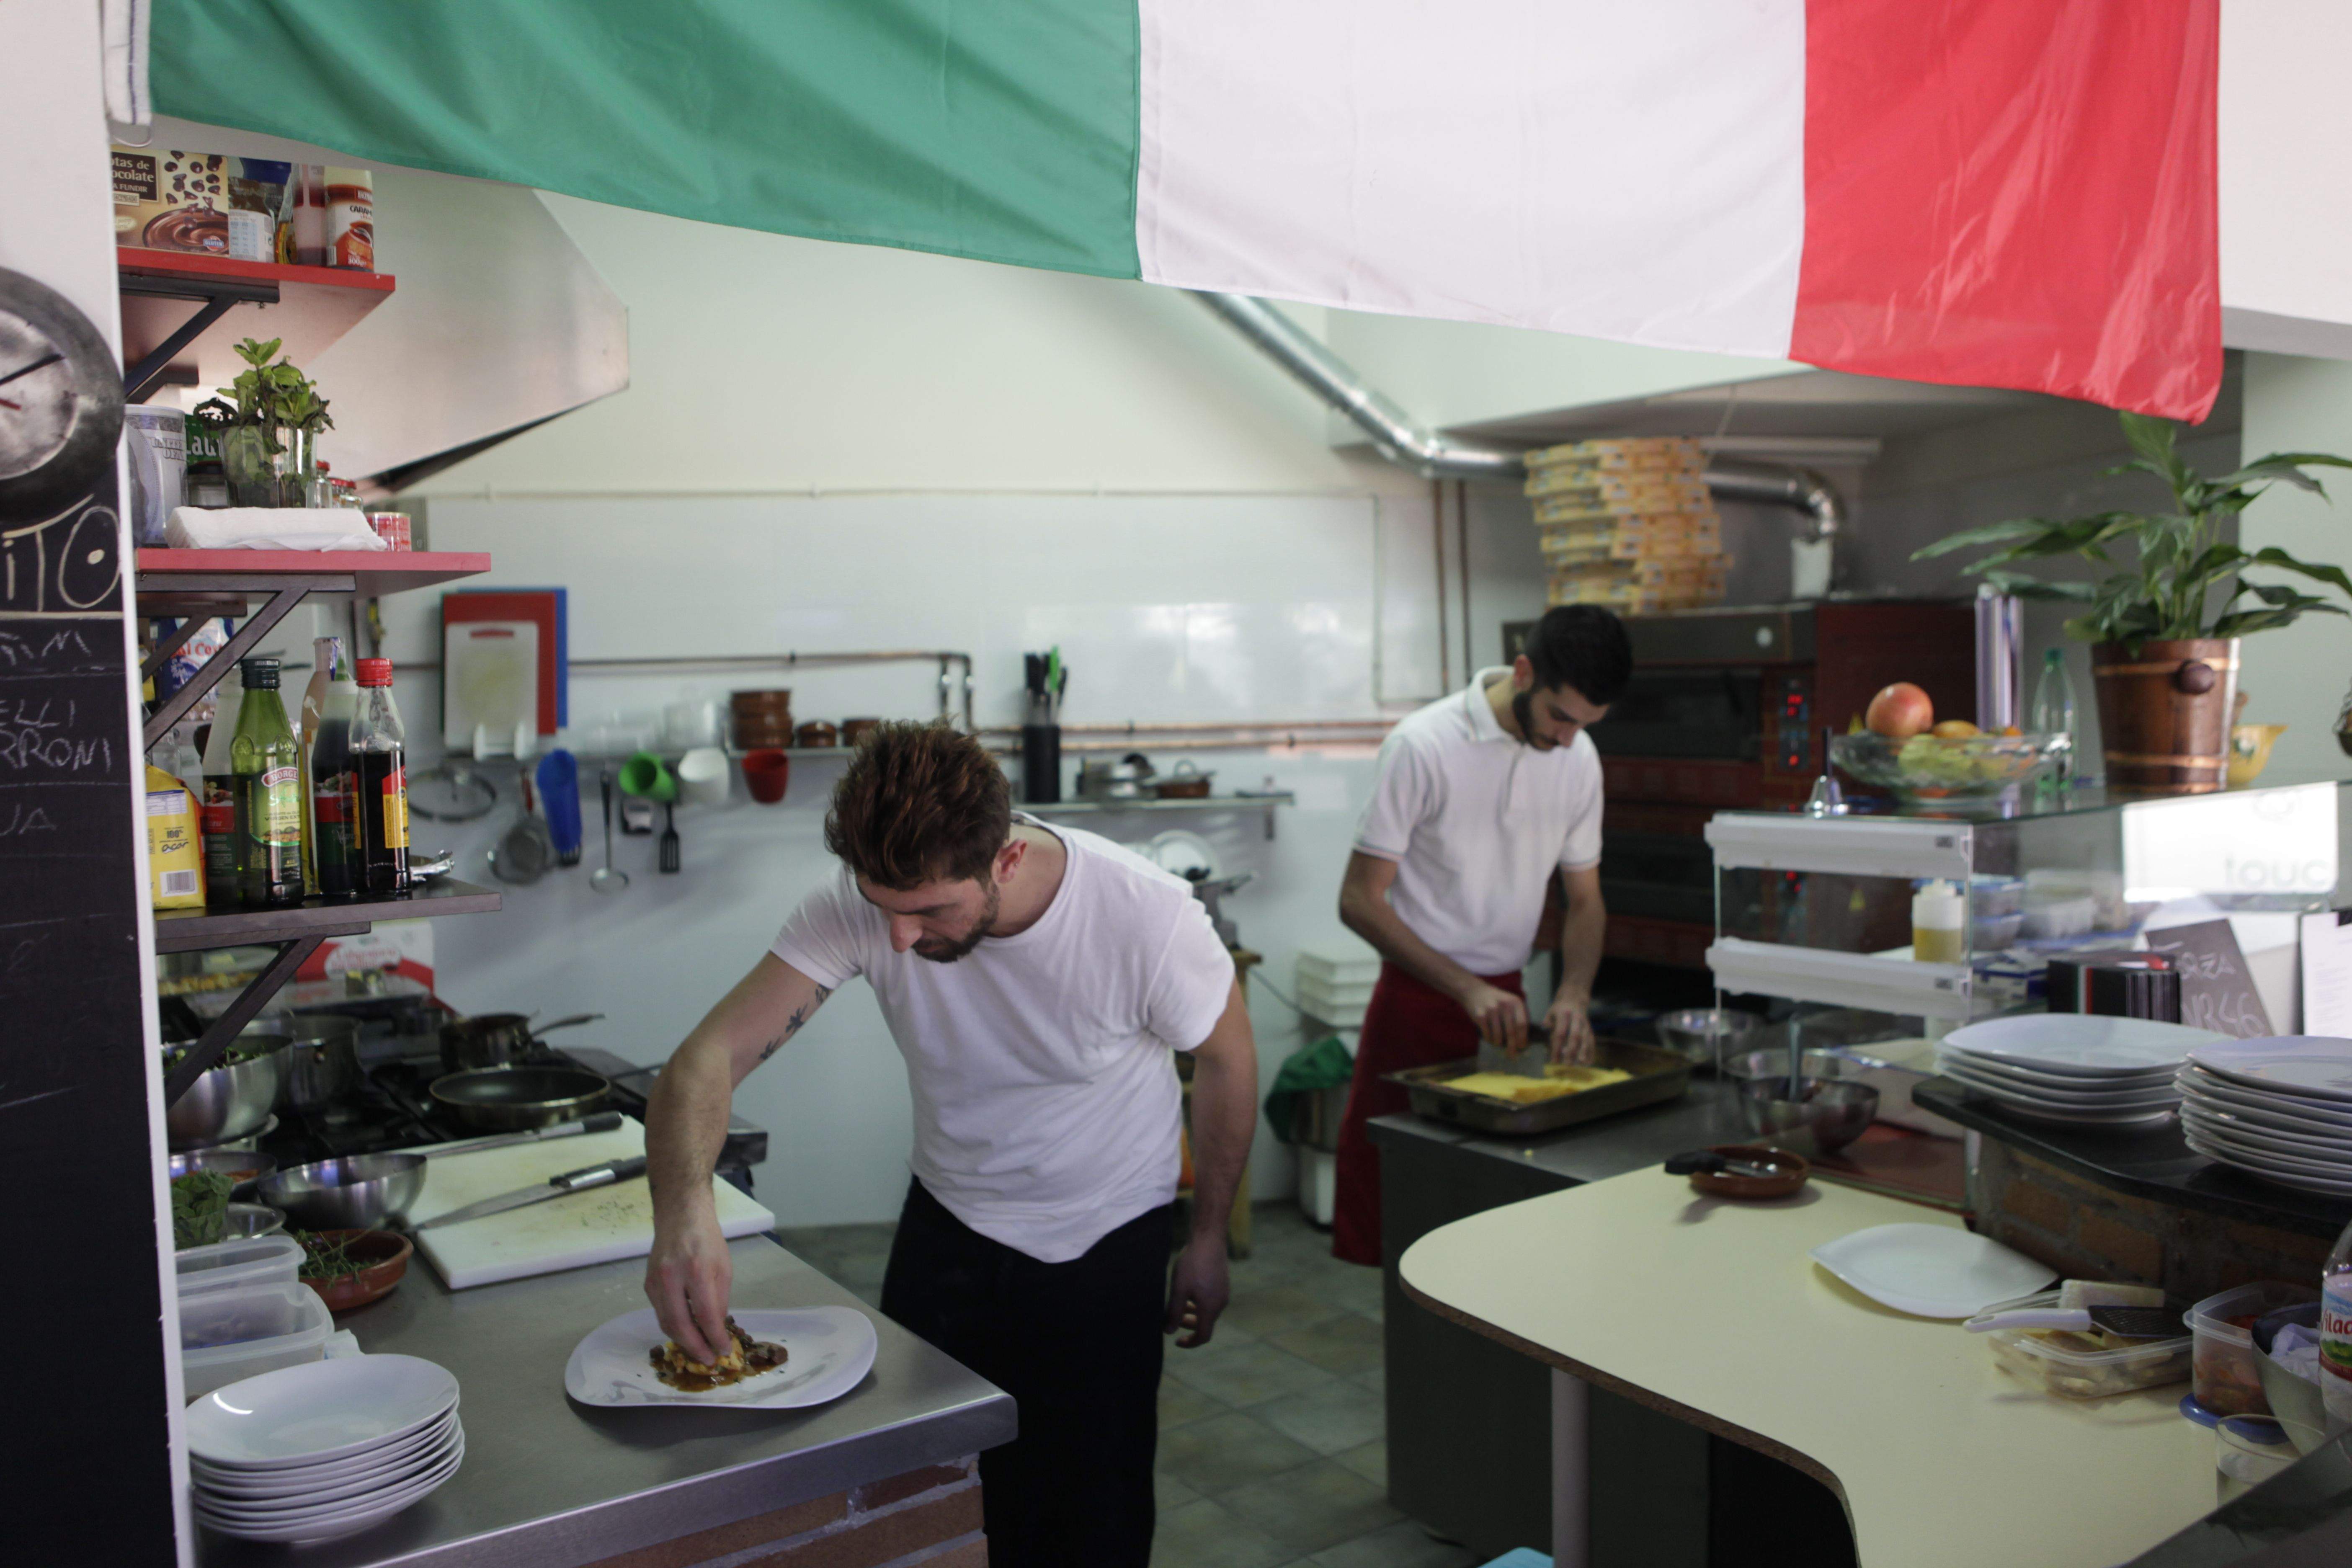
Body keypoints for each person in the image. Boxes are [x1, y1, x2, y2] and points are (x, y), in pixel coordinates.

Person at [642, 722, 1256, 1568]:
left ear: (1004, 860)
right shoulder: (865, 905)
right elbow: (706, 1059)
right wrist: (684, 1211)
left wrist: (1211, 1235)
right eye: (883, 907)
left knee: (1092, 1516)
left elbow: (1227, 1058)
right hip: (951, 1225)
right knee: (923, 1494)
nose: (899, 938)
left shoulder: (1142, 914)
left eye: (930, 910)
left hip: (1107, 1236)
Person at [1329, 604, 1631, 1266]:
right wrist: (1465, 988)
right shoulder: (1424, 746)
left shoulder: (1578, 759)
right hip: (1417, 1001)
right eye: (1561, 717)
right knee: (1404, 1216)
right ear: (1524, 674)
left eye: (1586, 725)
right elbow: (1358, 901)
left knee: (1494, 1226)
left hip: (1509, 1009)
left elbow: (1585, 901)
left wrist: (1575, 994)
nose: (1569, 738)